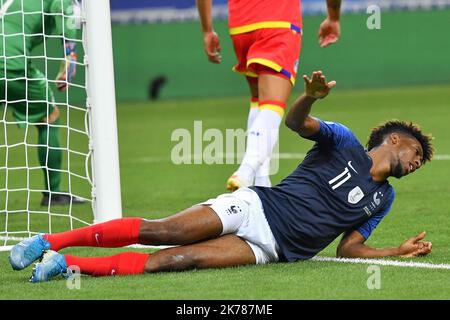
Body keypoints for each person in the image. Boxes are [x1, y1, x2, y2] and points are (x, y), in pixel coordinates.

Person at [9, 71, 433, 283]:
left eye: (419, 163)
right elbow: (295, 122)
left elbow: (349, 249)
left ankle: (67, 265)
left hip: (272, 250)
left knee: (180, 259)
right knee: (165, 231)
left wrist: (396, 249)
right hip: (256, 208)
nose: (415, 164)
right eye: (415, 153)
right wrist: (309, 96)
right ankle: (47, 241)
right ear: (394, 140)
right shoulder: (343, 142)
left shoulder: (384, 199)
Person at [196, 0, 342, 190]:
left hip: (241, 26)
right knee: (273, 105)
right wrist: (333, 16)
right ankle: (246, 171)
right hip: (278, 22)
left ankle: (261, 183)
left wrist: (207, 30)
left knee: (260, 102)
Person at [0, 0, 84, 206]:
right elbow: (67, 13)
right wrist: (70, 54)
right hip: (10, 63)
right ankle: (52, 193)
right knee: (49, 117)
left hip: (9, 58)